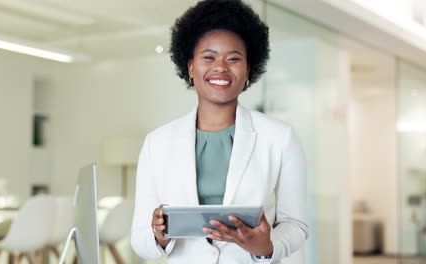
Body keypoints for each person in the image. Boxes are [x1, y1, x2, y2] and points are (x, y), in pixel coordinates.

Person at [131, 0, 308, 263]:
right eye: (209, 57)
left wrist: (266, 246)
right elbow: (139, 240)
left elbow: (296, 224)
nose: (221, 67)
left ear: (248, 69)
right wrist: (159, 235)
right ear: (191, 66)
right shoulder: (157, 143)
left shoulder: (280, 138)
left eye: (234, 59)